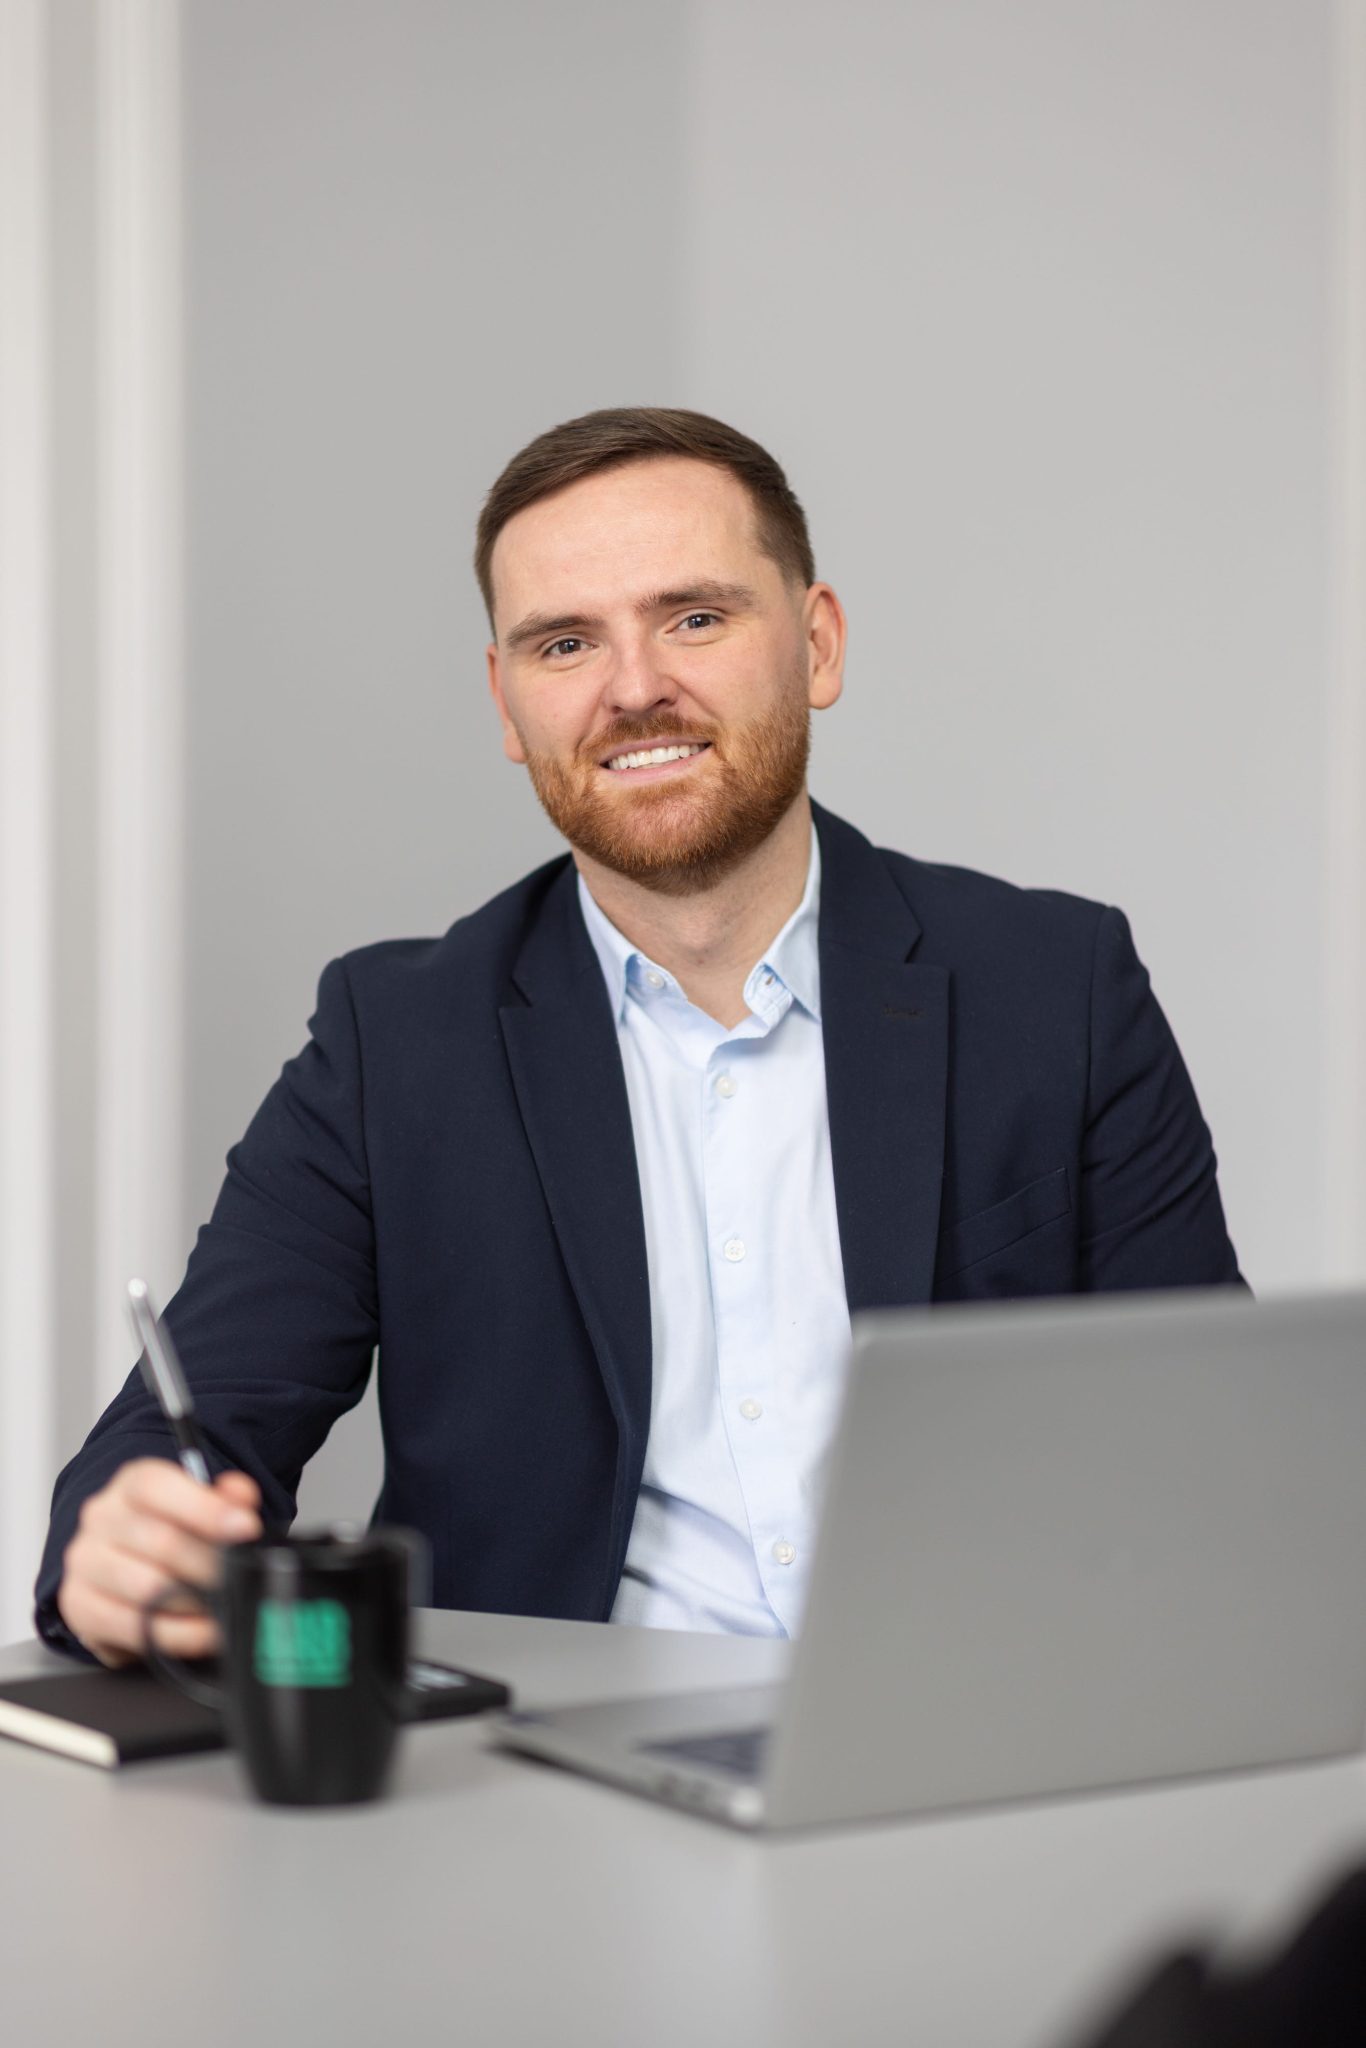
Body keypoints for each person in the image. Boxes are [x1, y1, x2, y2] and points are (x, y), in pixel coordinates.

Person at [35, 407, 1245, 1668]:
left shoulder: (1056, 987)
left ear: (817, 644)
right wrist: (126, 1548)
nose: (632, 687)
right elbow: (182, 1438)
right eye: (564, 642)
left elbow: (1217, 1453)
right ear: (507, 703)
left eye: (694, 618)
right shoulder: (393, 1043)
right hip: (548, 1781)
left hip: (964, 1741)